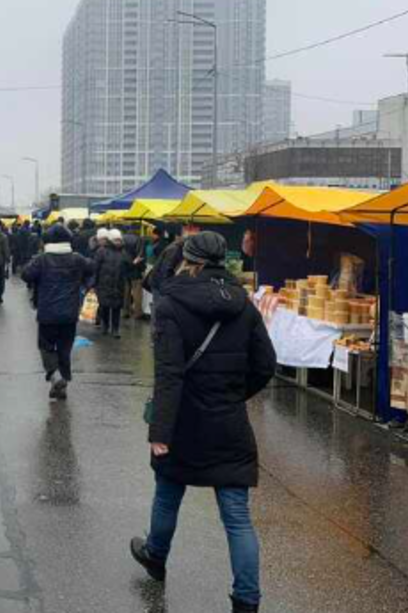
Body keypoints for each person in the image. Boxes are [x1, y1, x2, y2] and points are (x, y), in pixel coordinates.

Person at [130, 232, 276, 613]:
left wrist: (159, 432)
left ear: (187, 258)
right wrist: (234, 393)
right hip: (230, 422)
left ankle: (155, 556)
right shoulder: (243, 303)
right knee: (237, 517)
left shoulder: (170, 303)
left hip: (183, 420)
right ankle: (247, 599)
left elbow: (169, 373)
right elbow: (265, 365)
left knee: (168, 493)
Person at [21, 225, 95, 401]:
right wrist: (85, 284)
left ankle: (55, 376)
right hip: (69, 313)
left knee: (46, 346)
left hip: (47, 313)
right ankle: (63, 385)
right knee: (64, 349)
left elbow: (26, 275)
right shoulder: (77, 259)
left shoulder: (42, 260)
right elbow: (92, 268)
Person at [92, 229, 130, 338]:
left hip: (118, 284)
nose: (118, 242)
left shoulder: (123, 252)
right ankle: (105, 326)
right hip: (104, 283)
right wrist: (93, 283)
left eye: (119, 240)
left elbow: (127, 266)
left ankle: (115, 329)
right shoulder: (101, 251)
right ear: (111, 240)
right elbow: (95, 268)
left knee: (116, 308)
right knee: (104, 306)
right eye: (116, 240)